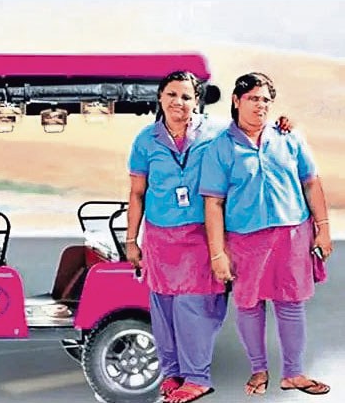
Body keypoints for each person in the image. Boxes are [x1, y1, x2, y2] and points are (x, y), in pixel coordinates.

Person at [200, 72, 332, 396]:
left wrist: (323, 229)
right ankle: (258, 371)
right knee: (249, 306)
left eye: (265, 100)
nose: (260, 106)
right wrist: (218, 254)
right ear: (236, 101)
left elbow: (311, 182)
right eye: (253, 99)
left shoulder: (289, 137)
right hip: (245, 241)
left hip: (292, 234)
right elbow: (213, 203)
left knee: (291, 304)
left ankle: (294, 373)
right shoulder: (220, 147)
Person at [127, 71, 230, 403]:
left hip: (200, 236)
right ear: (160, 98)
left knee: (194, 305)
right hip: (159, 238)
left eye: (186, 97)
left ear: (196, 101)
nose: (179, 102)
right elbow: (137, 194)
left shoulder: (217, 134)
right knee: (164, 306)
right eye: (172, 95)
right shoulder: (145, 140)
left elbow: (252, 140)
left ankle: (197, 378)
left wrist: (283, 126)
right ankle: (172, 373)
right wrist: (132, 240)